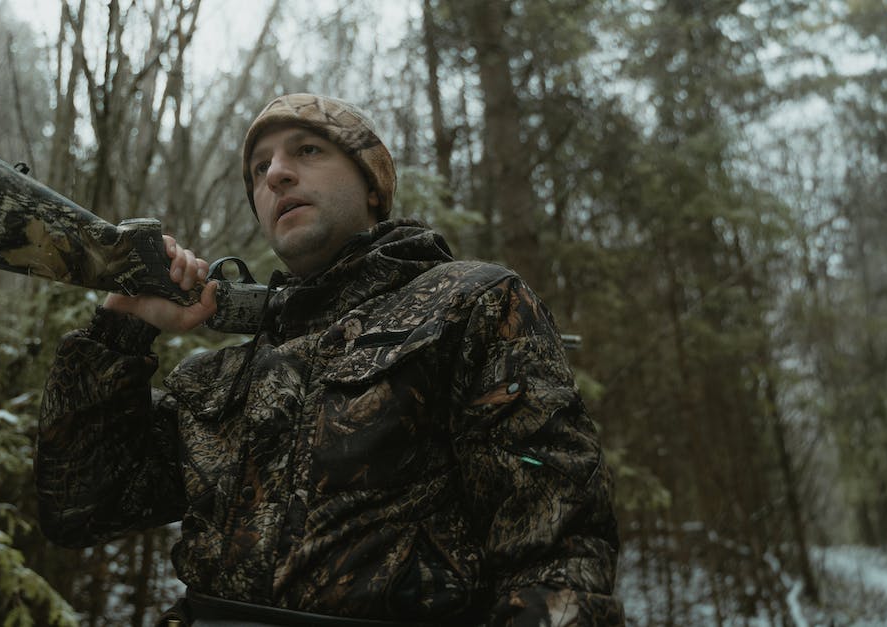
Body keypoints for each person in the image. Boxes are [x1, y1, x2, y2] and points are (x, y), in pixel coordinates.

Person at [35, 93, 624, 626]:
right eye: (259, 170)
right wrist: (121, 331)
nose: (277, 174)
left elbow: (558, 552)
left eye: (307, 151)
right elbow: (82, 510)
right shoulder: (220, 377)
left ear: (372, 184)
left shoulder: (469, 304)